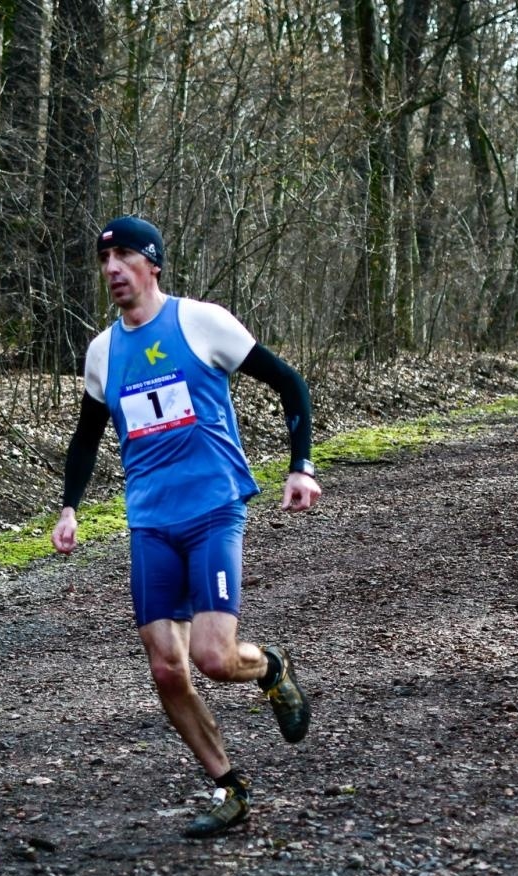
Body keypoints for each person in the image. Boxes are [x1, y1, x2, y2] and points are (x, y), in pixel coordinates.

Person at [51, 215, 322, 837]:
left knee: (213, 658)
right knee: (167, 669)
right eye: (103, 260)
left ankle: (272, 669)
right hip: (149, 521)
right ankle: (229, 787)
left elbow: (290, 385)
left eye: (123, 256)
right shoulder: (102, 352)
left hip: (213, 508)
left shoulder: (202, 323)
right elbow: (86, 437)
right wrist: (68, 507)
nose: (111, 269)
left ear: (152, 264)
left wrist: (300, 467)